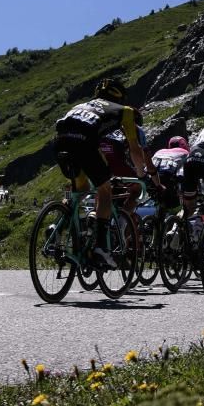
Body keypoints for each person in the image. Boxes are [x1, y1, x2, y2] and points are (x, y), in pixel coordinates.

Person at [53, 77, 148, 268]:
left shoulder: (83, 105)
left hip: (61, 141)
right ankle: (100, 248)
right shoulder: (126, 111)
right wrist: (141, 174)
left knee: (81, 188)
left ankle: (58, 226)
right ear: (120, 97)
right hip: (85, 143)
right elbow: (135, 149)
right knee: (105, 191)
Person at [151, 136, 190, 215]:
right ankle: (174, 220)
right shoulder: (185, 153)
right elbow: (184, 173)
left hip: (151, 177)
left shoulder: (160, 151)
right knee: (175, 208)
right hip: (168, 177)